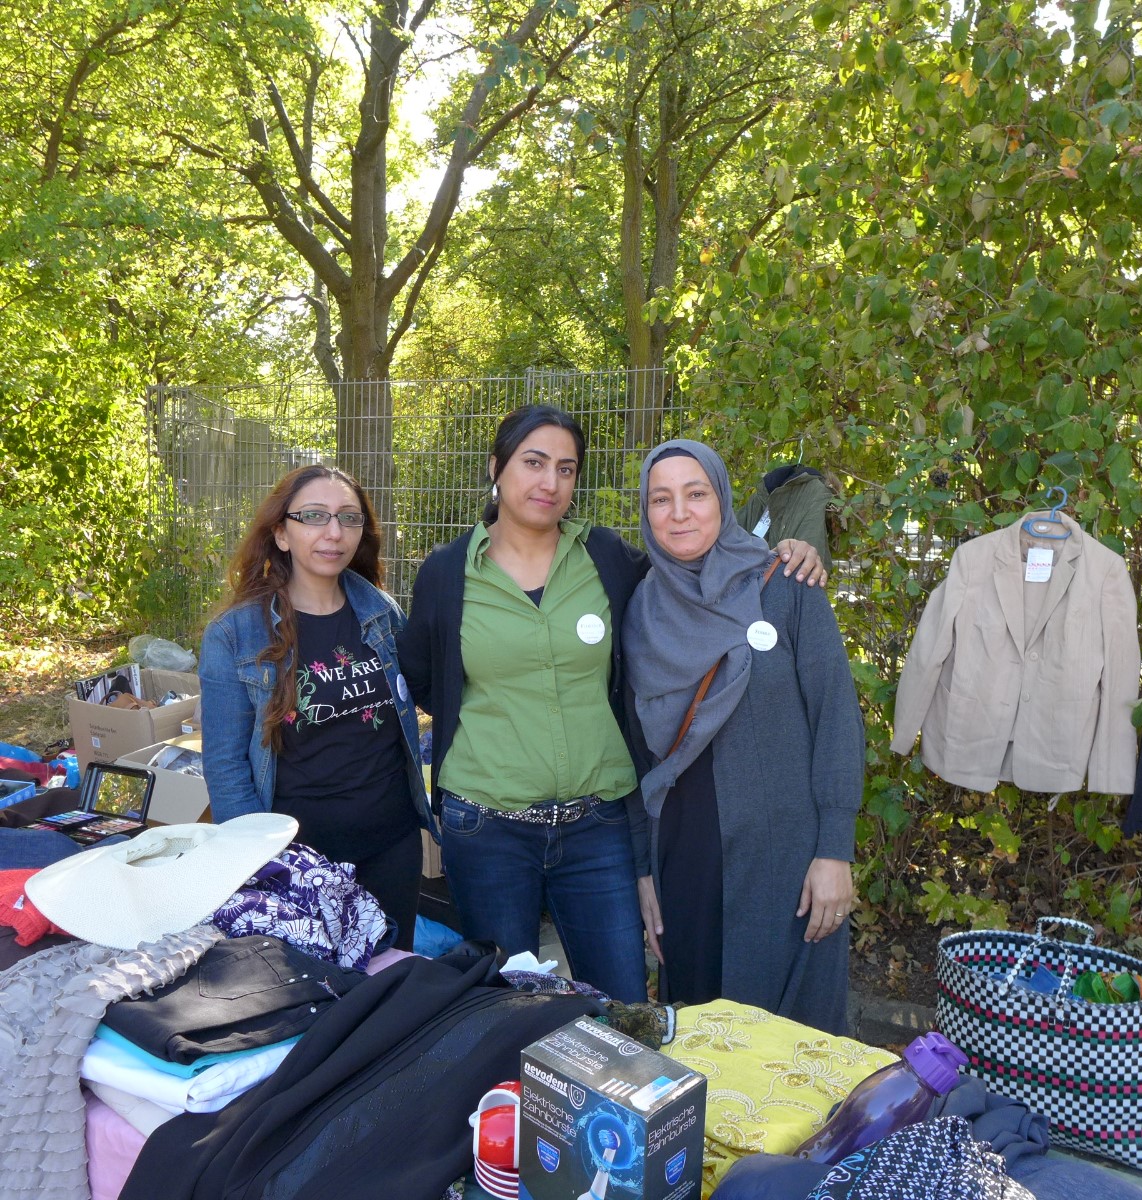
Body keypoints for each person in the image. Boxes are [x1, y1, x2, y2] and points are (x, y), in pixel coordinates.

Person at [396, 405, 825, 1003]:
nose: (549, 482)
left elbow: (696, 574)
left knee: (623, 1007)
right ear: (496, 469)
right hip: (486, 828)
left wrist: (789, 547)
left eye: (566, 469)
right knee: (503, 1009)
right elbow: (423, 678)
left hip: (596, 827)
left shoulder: (607, 560)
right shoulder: (447, 574)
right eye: (534, 462)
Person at [624, 439, 864, 1033]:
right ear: (646, 513)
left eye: (695, 493)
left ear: (723, 499)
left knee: (796, 1044)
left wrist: (834, 850)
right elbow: (633, 751)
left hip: (787, 857)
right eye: (661, 499)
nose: (679, 512)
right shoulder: (638, 607)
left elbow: (835, 715)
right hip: (684, 853)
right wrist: (644, 871)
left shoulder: (784, 583)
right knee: (703, 1038)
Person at [199, 465, 429, 949]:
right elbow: (224, 764)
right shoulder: (234, 635)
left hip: (392, 845)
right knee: (320, 1004)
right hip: (297, 861)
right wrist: (262, 865)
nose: (334, 532)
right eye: (315, 516)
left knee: (390, 997)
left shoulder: (383, 614)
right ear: (281, 533)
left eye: (349, 518)